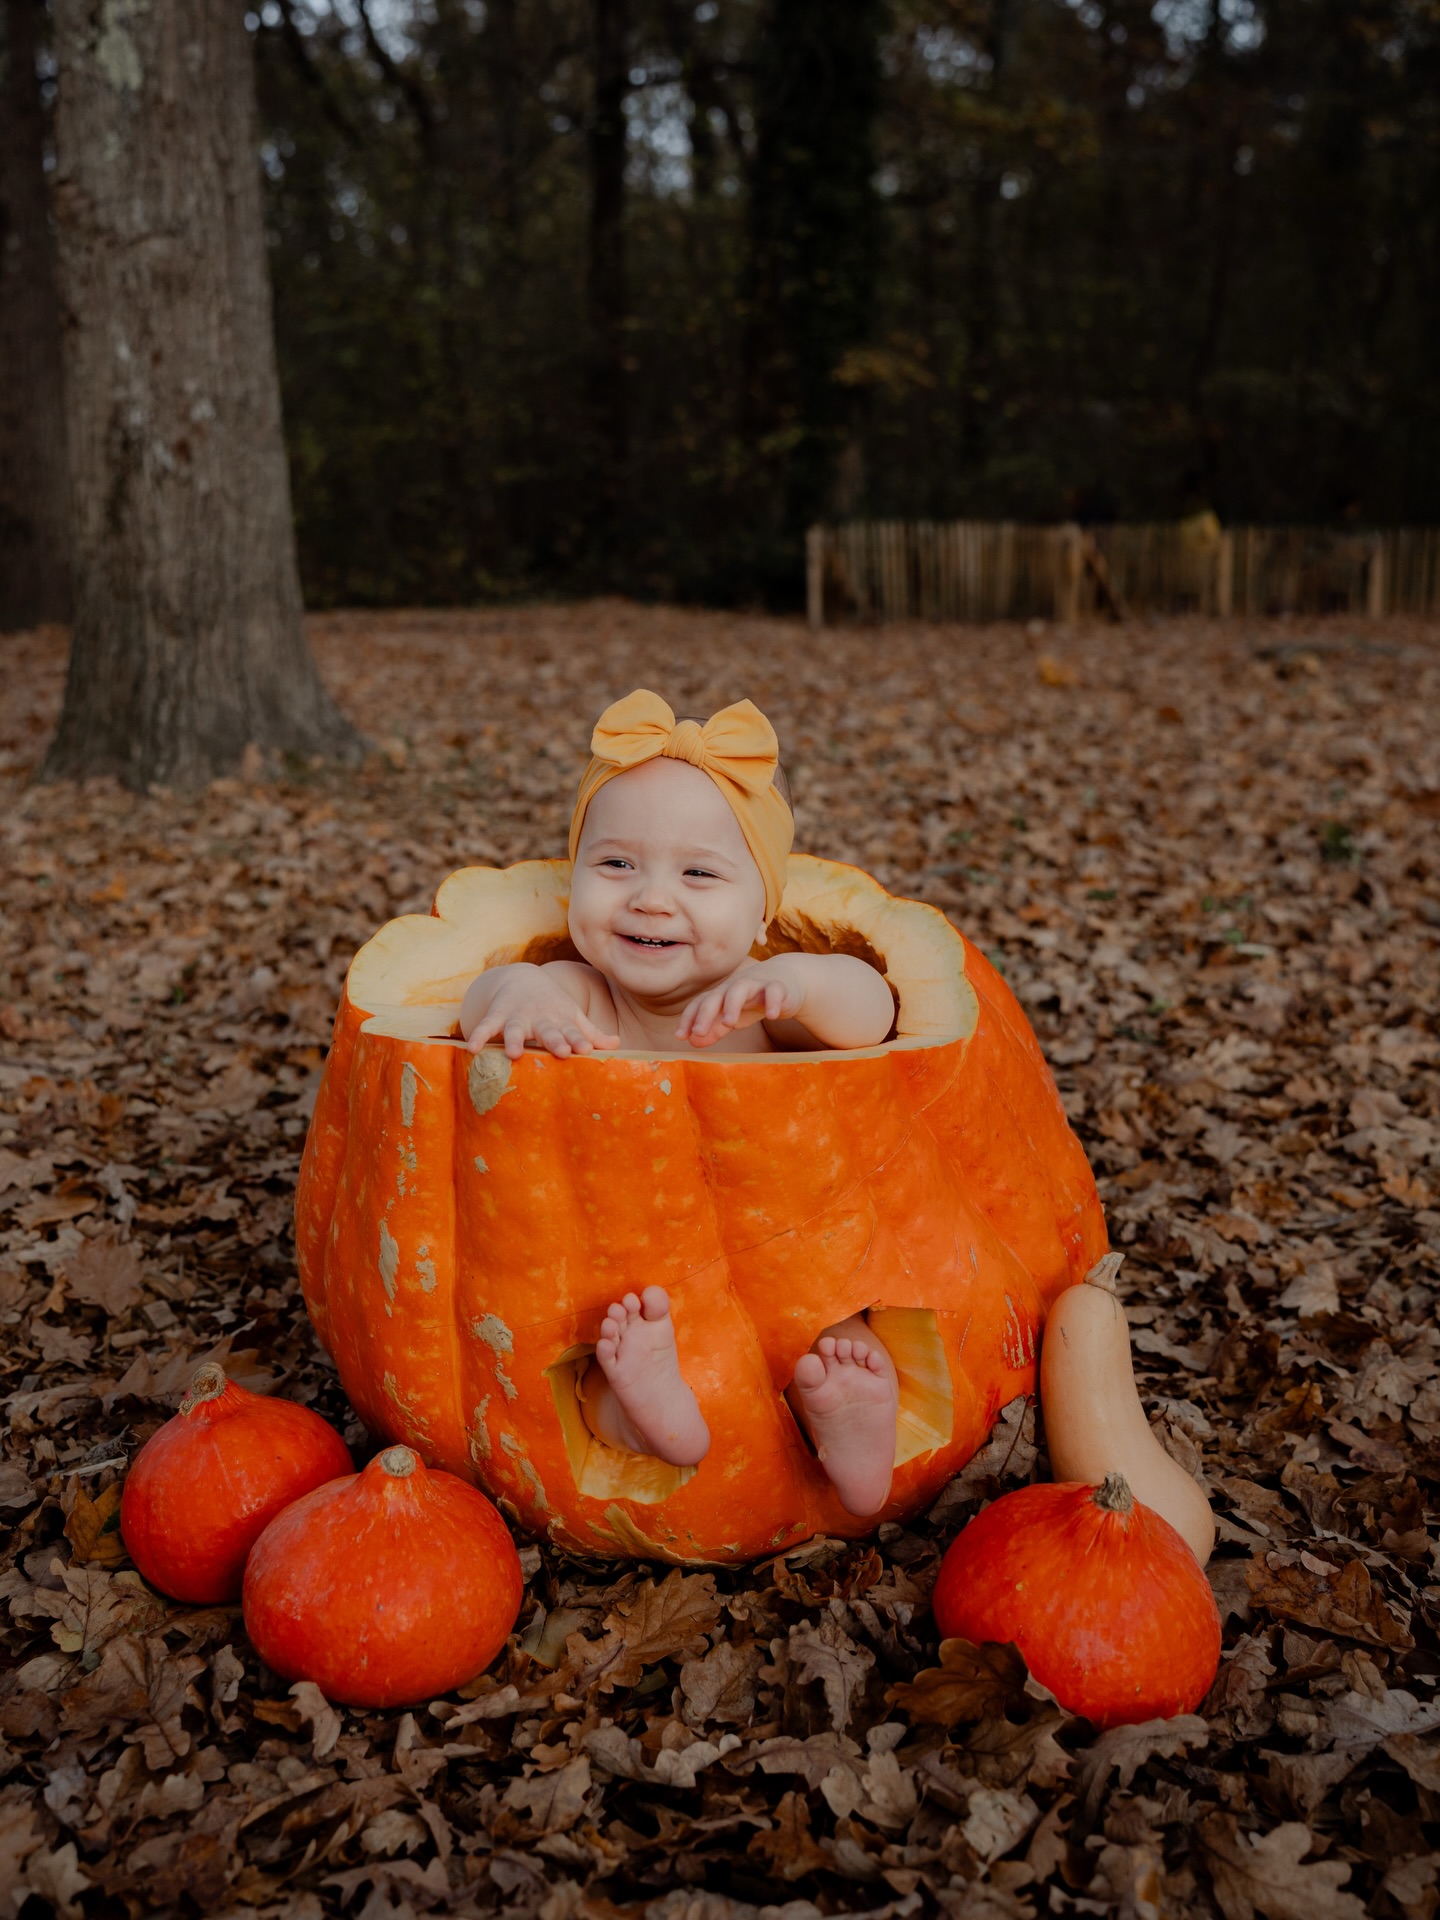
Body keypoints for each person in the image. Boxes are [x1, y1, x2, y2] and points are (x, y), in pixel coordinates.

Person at [458, 690, 901, 1514]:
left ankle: (846, 1419)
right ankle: (640, 1412)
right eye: (616, 864)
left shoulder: (765, 1001)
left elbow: (874, 1012)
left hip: (774, 1254)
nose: (651, 898)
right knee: (595, 1358)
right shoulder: (583, 996)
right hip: (619, 1274)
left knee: (825, 1331)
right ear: (577, 877)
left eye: (698, 873)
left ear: (760, 909)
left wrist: (798, 983)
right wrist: (522, 994)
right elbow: (488, 991)